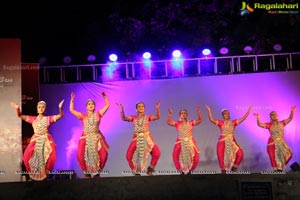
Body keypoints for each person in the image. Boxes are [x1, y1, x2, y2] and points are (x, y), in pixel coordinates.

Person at [11, 100, 64, 181]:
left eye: (43, 107)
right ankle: (33, 176)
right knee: (27, 157)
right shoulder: (33, 119)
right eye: (39, 107)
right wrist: (17, 109)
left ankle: (44, 176)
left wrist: (60, 108)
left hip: (45, 140)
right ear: (37, 109)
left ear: (45, 109)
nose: (41, 109)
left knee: (48, 158)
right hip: (35, 140)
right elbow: (20, 115)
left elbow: (60, 115)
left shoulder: (48, 119)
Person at [69, 92, 110, 178]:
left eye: (92, 104)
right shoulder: (83, 116)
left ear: (94, 107)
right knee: (80, 155)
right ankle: (86, 172)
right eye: (89, 104)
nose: (91, 105)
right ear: (86, 107)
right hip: (85, 137)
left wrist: (105, 97)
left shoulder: (98, 114)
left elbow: (107, 105)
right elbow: (71, 110)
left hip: (96, 137)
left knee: (104, 154)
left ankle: (98, 172)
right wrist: (72, 100)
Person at [116, 101, 161, 176]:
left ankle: (150, 170)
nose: (141, 107)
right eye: (139, 106)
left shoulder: (148, 117)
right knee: (128, 156)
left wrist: (157, 109)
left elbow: (158, 117)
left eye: (142, 106)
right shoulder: (133, 118)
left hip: (147, 138)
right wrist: (122, 110)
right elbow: (124, 118)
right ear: (136, 109)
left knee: (157, 153)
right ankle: (136, 172)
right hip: (136, 138)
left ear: (144, 109)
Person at [205, 105, 252, 173]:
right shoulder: (220, 123)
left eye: (228, 113)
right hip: (222, 141)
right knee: (221, 155)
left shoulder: (233, 122)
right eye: (225, 113)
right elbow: (212, 119)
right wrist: (209, 110)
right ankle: (223, 171)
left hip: (231, 141)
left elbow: (243, 118)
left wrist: (248, 111)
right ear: (223, 115)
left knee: (240, 154)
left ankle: (234, 169)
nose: (227, 115)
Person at [253, 106, 296, 172]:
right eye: (272, 115)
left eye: (275, 114)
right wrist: (258, 118)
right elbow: (260, 124)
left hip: (281, 143)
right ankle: (277, 171)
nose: (274, 115)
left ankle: (279, 170)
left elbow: (290, 118)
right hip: (272, 143)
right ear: (271, 117)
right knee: (273, 158)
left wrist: (292, 111)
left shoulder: (282, 123)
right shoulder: (269, 125)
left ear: (277, 116)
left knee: (288, 154)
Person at [166, 106, 203, 175]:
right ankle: (182, 170)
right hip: (180, 142)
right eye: (182, 113)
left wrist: (198, 112)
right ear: (180, 115)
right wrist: (170, 114)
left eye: (185, 113)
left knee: (195, 156)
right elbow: (168, 122)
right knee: (177, 156)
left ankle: (189, 170)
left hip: (190, 142)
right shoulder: (177, 123)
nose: (183, 114)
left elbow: (200, 120)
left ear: (187, 115)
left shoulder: (191, 122)